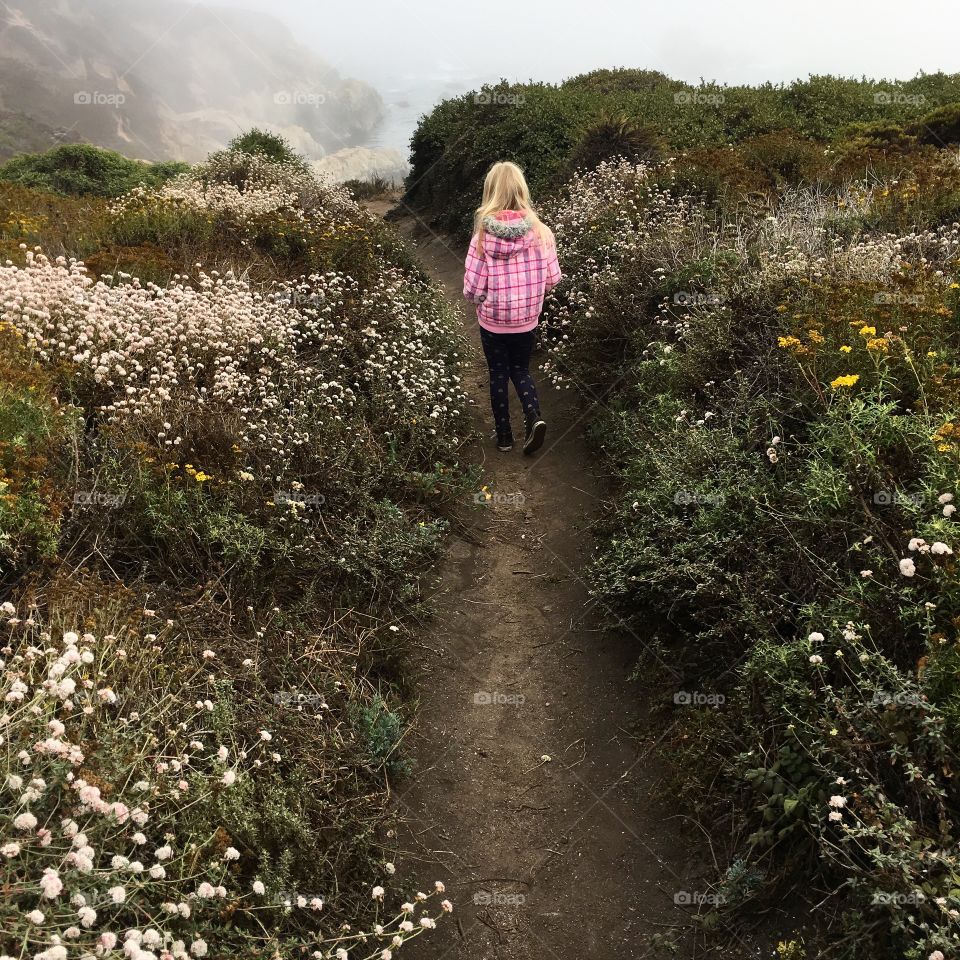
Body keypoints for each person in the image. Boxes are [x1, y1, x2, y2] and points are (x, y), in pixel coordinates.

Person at [463, 160, 562, 454]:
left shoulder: (481, 237)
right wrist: (532, 294)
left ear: (489, 192)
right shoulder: (542, 232)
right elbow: (553, 278)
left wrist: (485, 302)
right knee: (521, 369)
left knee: (497, 373)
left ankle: (504, 436)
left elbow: (472, 290)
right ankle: (533, 417)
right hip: (527, 320)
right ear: (522, 190)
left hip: (492, 322)